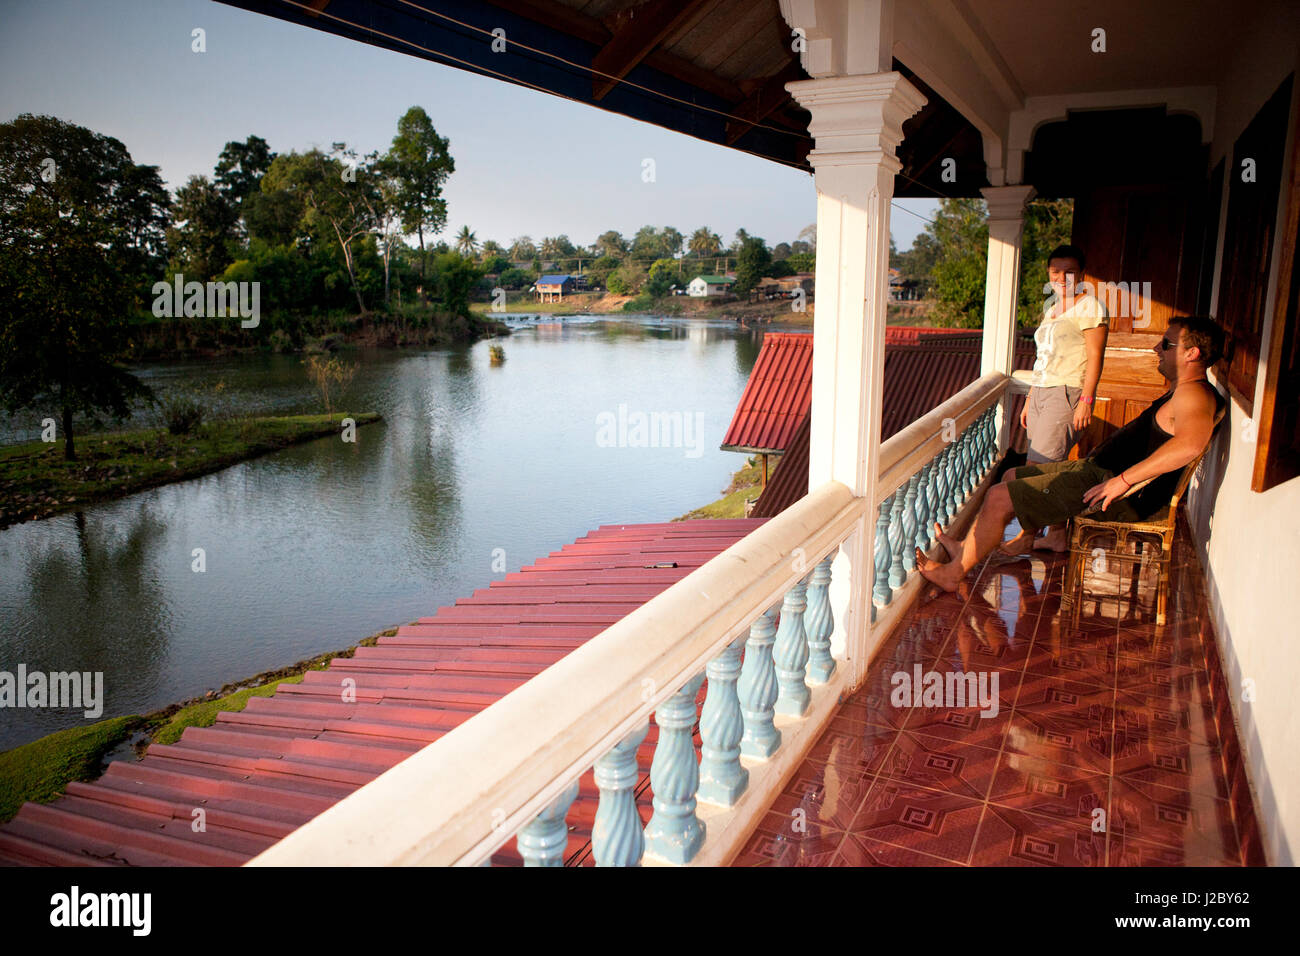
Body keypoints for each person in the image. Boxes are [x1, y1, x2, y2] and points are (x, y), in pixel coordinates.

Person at [918, 315, 1226, 593]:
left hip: (1111, 491)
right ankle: (972, 548)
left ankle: (953, 574)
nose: (1157, 348)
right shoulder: (1183, 390)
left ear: (1192, 353)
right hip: (1095, 473)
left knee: (1000, 496)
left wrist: (1121, 480)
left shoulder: (1194, 394)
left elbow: (1190, 444)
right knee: (1012, 475)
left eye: (1167, 344)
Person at [1006, 244, 1109, 554]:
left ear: (1081, 275)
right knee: (1050, 468)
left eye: (1069, 272)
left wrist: (1086, 400)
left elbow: (1095, 356)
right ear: (1049, 274)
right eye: (1055, 272)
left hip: (1067, 392)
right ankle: (1056, 536)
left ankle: (1027, 536)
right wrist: (1030, 398)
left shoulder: (1090, 306)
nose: (1062, 278)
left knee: (1036, 471)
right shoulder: (1052, 308)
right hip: (1042, 393)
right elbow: (1044, 358)